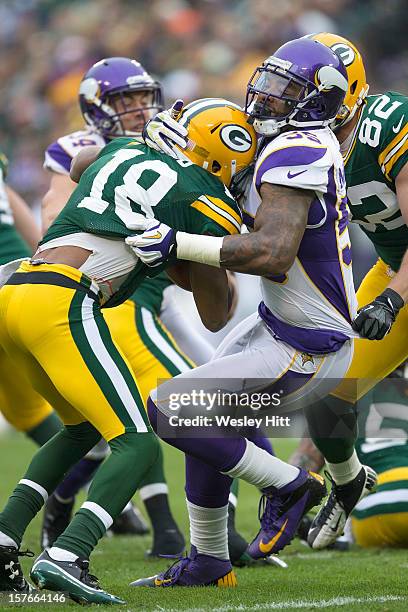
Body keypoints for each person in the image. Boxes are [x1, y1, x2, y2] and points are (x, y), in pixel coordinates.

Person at [128, 37, 365, 589]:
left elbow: (272, 251)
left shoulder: (300, 149)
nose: (268, 96)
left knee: (173, 409)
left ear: (319, 103)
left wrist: (175, 241)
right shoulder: (279, 143)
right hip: (280, 326)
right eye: (271, 81)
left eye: (288, 91)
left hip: (308, 344)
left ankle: (290, 484)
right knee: (208, 414)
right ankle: (209, 559)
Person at [0, 99, 256, 603]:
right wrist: (196, 249)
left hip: (15, 294)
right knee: (138, 441)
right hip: (64, 300)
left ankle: (4, 540)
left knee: (82, 431)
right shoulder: (204, 194)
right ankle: (70, 554)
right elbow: (215, 314)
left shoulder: (121, 149)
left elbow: (79, 163)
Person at [41, 55, 189, 557]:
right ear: (96, 109)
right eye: (124, 100)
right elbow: (54, 215)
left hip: (166, 283)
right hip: (115, 288)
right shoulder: (77, 150)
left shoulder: (172, 136)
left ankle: (67, 496)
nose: (138, 108)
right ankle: (177, 530)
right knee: (150, 413)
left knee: (206, 387)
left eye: (143, 96)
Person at [297, 32, 408, 550]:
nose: (303, 102)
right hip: (394, 267)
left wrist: (390, 299)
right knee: (328, 393)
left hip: (398, 279)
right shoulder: (312, 142)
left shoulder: (388, 124)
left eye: (313, 91)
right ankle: (342, 486)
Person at [291, 363, 408, 548]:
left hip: (376, 508)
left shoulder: (342, 393)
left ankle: (344, 538)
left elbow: (306, 461)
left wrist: (292, 515)